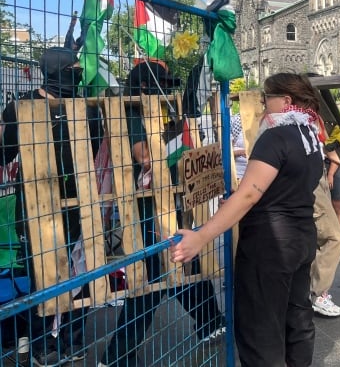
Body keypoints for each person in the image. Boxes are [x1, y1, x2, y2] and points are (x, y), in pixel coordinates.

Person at [172, 72, 324, 367]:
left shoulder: (276, 136)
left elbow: (248, 196)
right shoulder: (311, 137)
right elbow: (285, 186)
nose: (265, 105)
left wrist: (201, 236)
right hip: (300, 238)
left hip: (271, 246)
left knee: (261, 327)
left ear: (287, 100)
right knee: (296, 318)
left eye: (268, 98)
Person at [98, 60, 226, 367]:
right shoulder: (130, 112)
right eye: (162, 84)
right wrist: (175, 149)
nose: (167, 90)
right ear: (145, 87)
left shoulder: (155, 110)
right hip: (143, 210)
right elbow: (144, 156)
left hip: (165, 205)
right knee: (153, 279)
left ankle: (211, 322)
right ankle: (116, 357)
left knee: (184, 263)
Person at [0, 47, 102, 366]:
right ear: (56, 71)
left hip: (77, 207)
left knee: (79, 274)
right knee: (41, 278)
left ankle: (71, 339)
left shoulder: (85, 106)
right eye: (72, 68)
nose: (78, 73)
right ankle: (43, 344)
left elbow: (94, 145)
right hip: (35, 210)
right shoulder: (21, 106)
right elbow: (4, 153)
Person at [310, 149, 340, 317]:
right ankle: (318, 294)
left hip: (317, 175)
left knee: (315, 240)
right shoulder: (299, 124)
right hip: (311, 180)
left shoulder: (312, 123)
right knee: (334, 238)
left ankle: (311, 291)